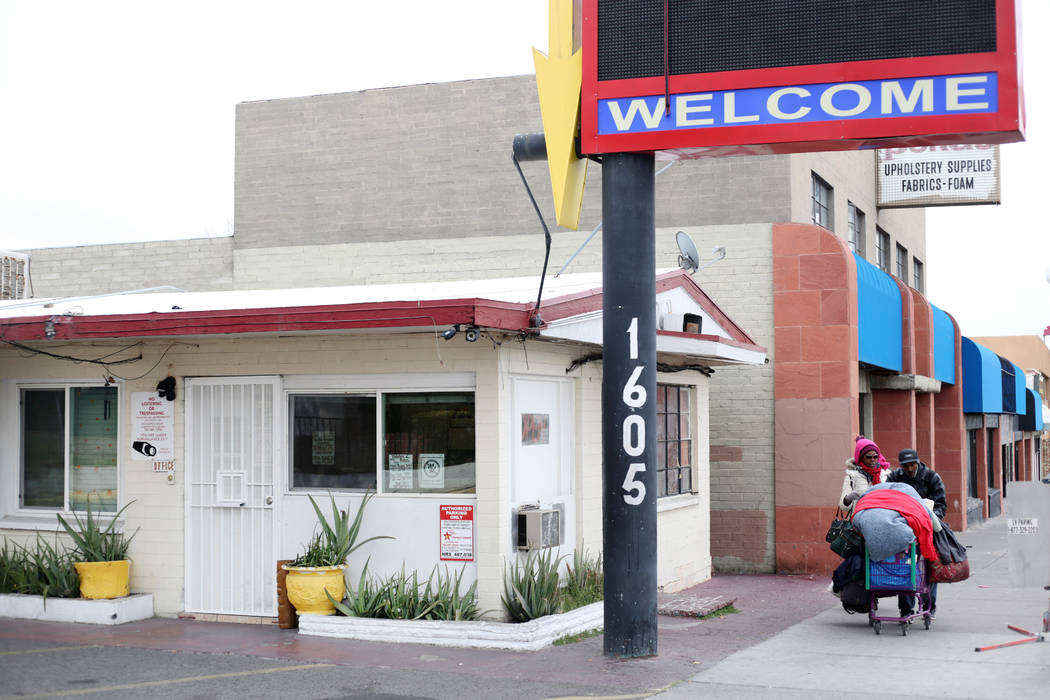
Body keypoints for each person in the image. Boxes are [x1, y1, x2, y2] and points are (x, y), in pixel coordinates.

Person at [887, 447, 947, 617]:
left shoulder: (931, 477)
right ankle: (906, 610)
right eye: (905, 466)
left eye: (912, 465)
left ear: (918, 462)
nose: (909, 469)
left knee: (929, 567)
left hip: (926, 527)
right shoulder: (895, 477)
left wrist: (929, 519)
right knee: (904, 568)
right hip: (904, 528)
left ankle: (929, 606)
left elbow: (941, 504)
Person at [839, 436, 891, 513]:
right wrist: (849, 498)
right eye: (869, 457)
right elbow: (843, 507)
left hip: (883, 516)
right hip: (860, 519)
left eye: (875, 457)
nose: (873, 460)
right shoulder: (852, 476)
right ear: (861, 458)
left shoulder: (886, 474)